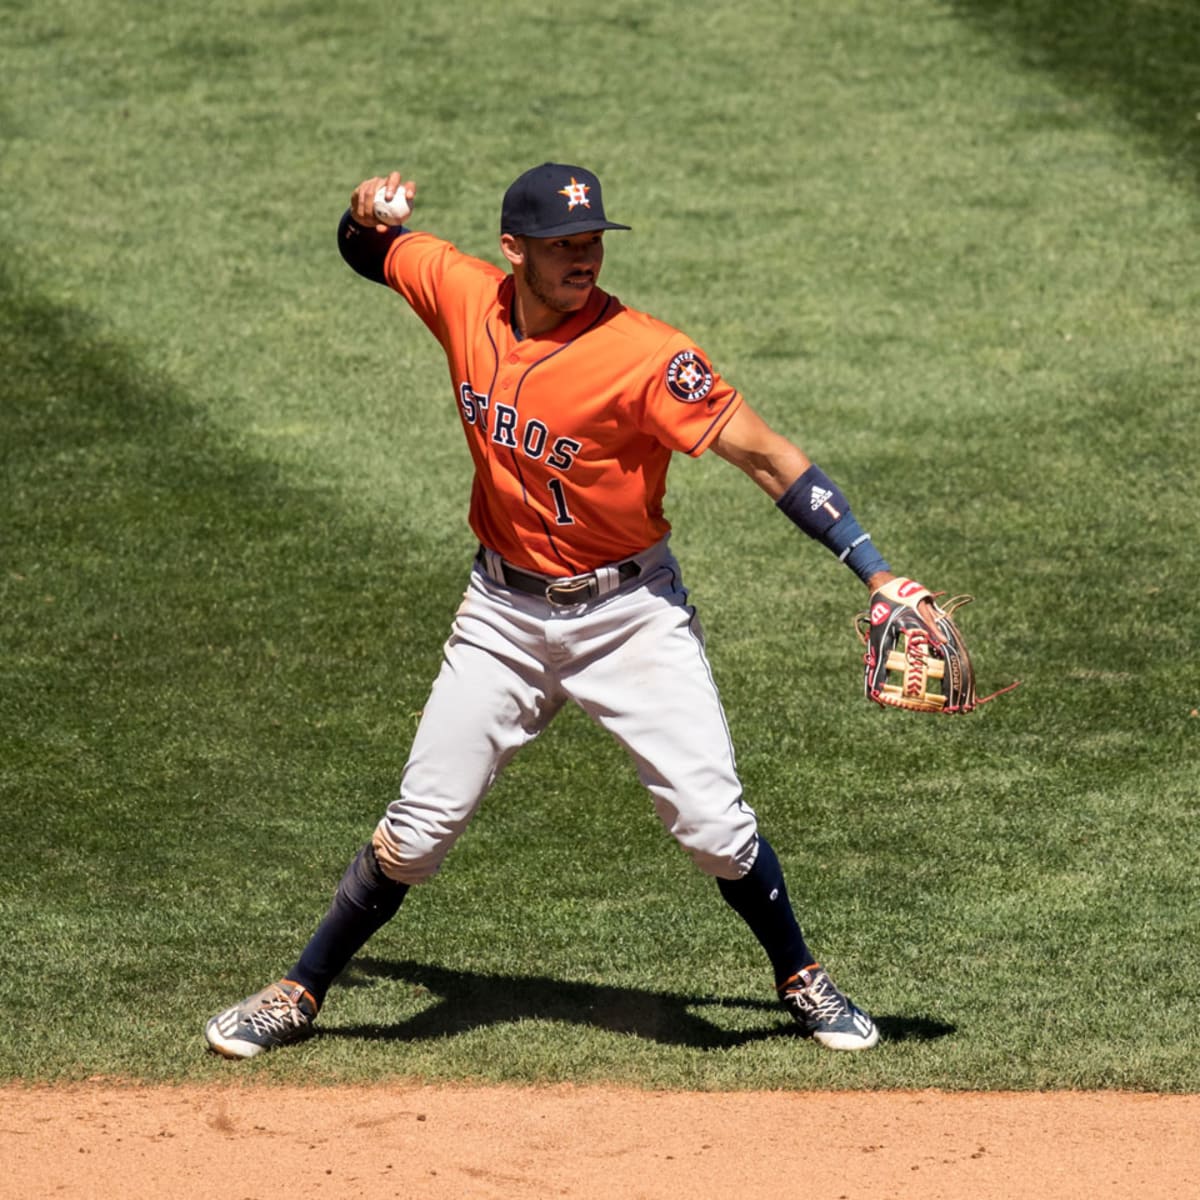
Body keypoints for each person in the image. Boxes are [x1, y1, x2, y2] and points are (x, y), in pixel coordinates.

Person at [205, 161, 927, 1060]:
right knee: (419, 830)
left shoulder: (649, 356)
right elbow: (370, 252)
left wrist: (875, 571)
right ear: (515, 251)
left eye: (592, 242)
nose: (583, 260)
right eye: (562, 247)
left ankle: (800, 978)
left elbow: (770, 459)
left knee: (714, 825)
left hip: (628, 617)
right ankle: (300, 991)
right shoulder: (463, 292)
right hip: (501, 618)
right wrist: (358, 215)